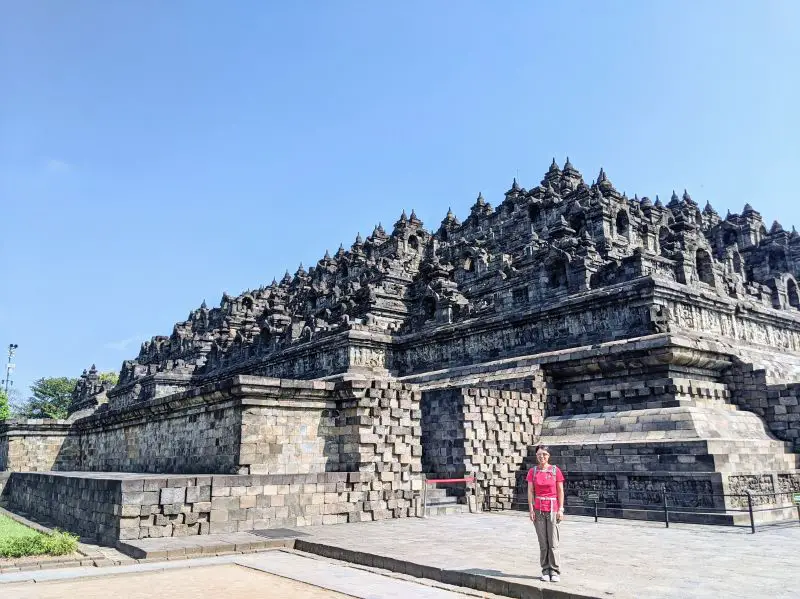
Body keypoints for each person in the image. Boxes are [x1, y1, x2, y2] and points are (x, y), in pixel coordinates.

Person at [527, 444, 565, 583]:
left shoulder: (555, 471)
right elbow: (530, 491)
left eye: (544, 454)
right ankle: (545, 569)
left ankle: (554, 570)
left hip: (552, 509)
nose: (541, 457)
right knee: (543, 542)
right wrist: (531, 509)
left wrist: (561, 509)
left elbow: (560, 491)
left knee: (553, 542)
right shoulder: (533, 471)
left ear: (548, 456)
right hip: (538, 509)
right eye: (539, 455)